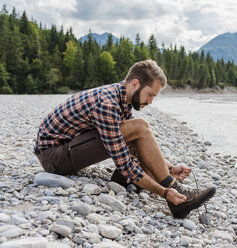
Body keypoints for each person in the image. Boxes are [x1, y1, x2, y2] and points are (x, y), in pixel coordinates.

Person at [34, 59, 215, 218]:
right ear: (135, 84)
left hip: (68, 149)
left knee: (136, 131)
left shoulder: (122, 98)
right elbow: (124, 162)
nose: (151, 101)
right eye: (150, 94)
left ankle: (159, 184)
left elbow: (133, 142)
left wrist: (168, 168)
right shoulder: (107, 103)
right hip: (54, 158)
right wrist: (164, 192)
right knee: (140, 126)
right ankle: (176, 195)